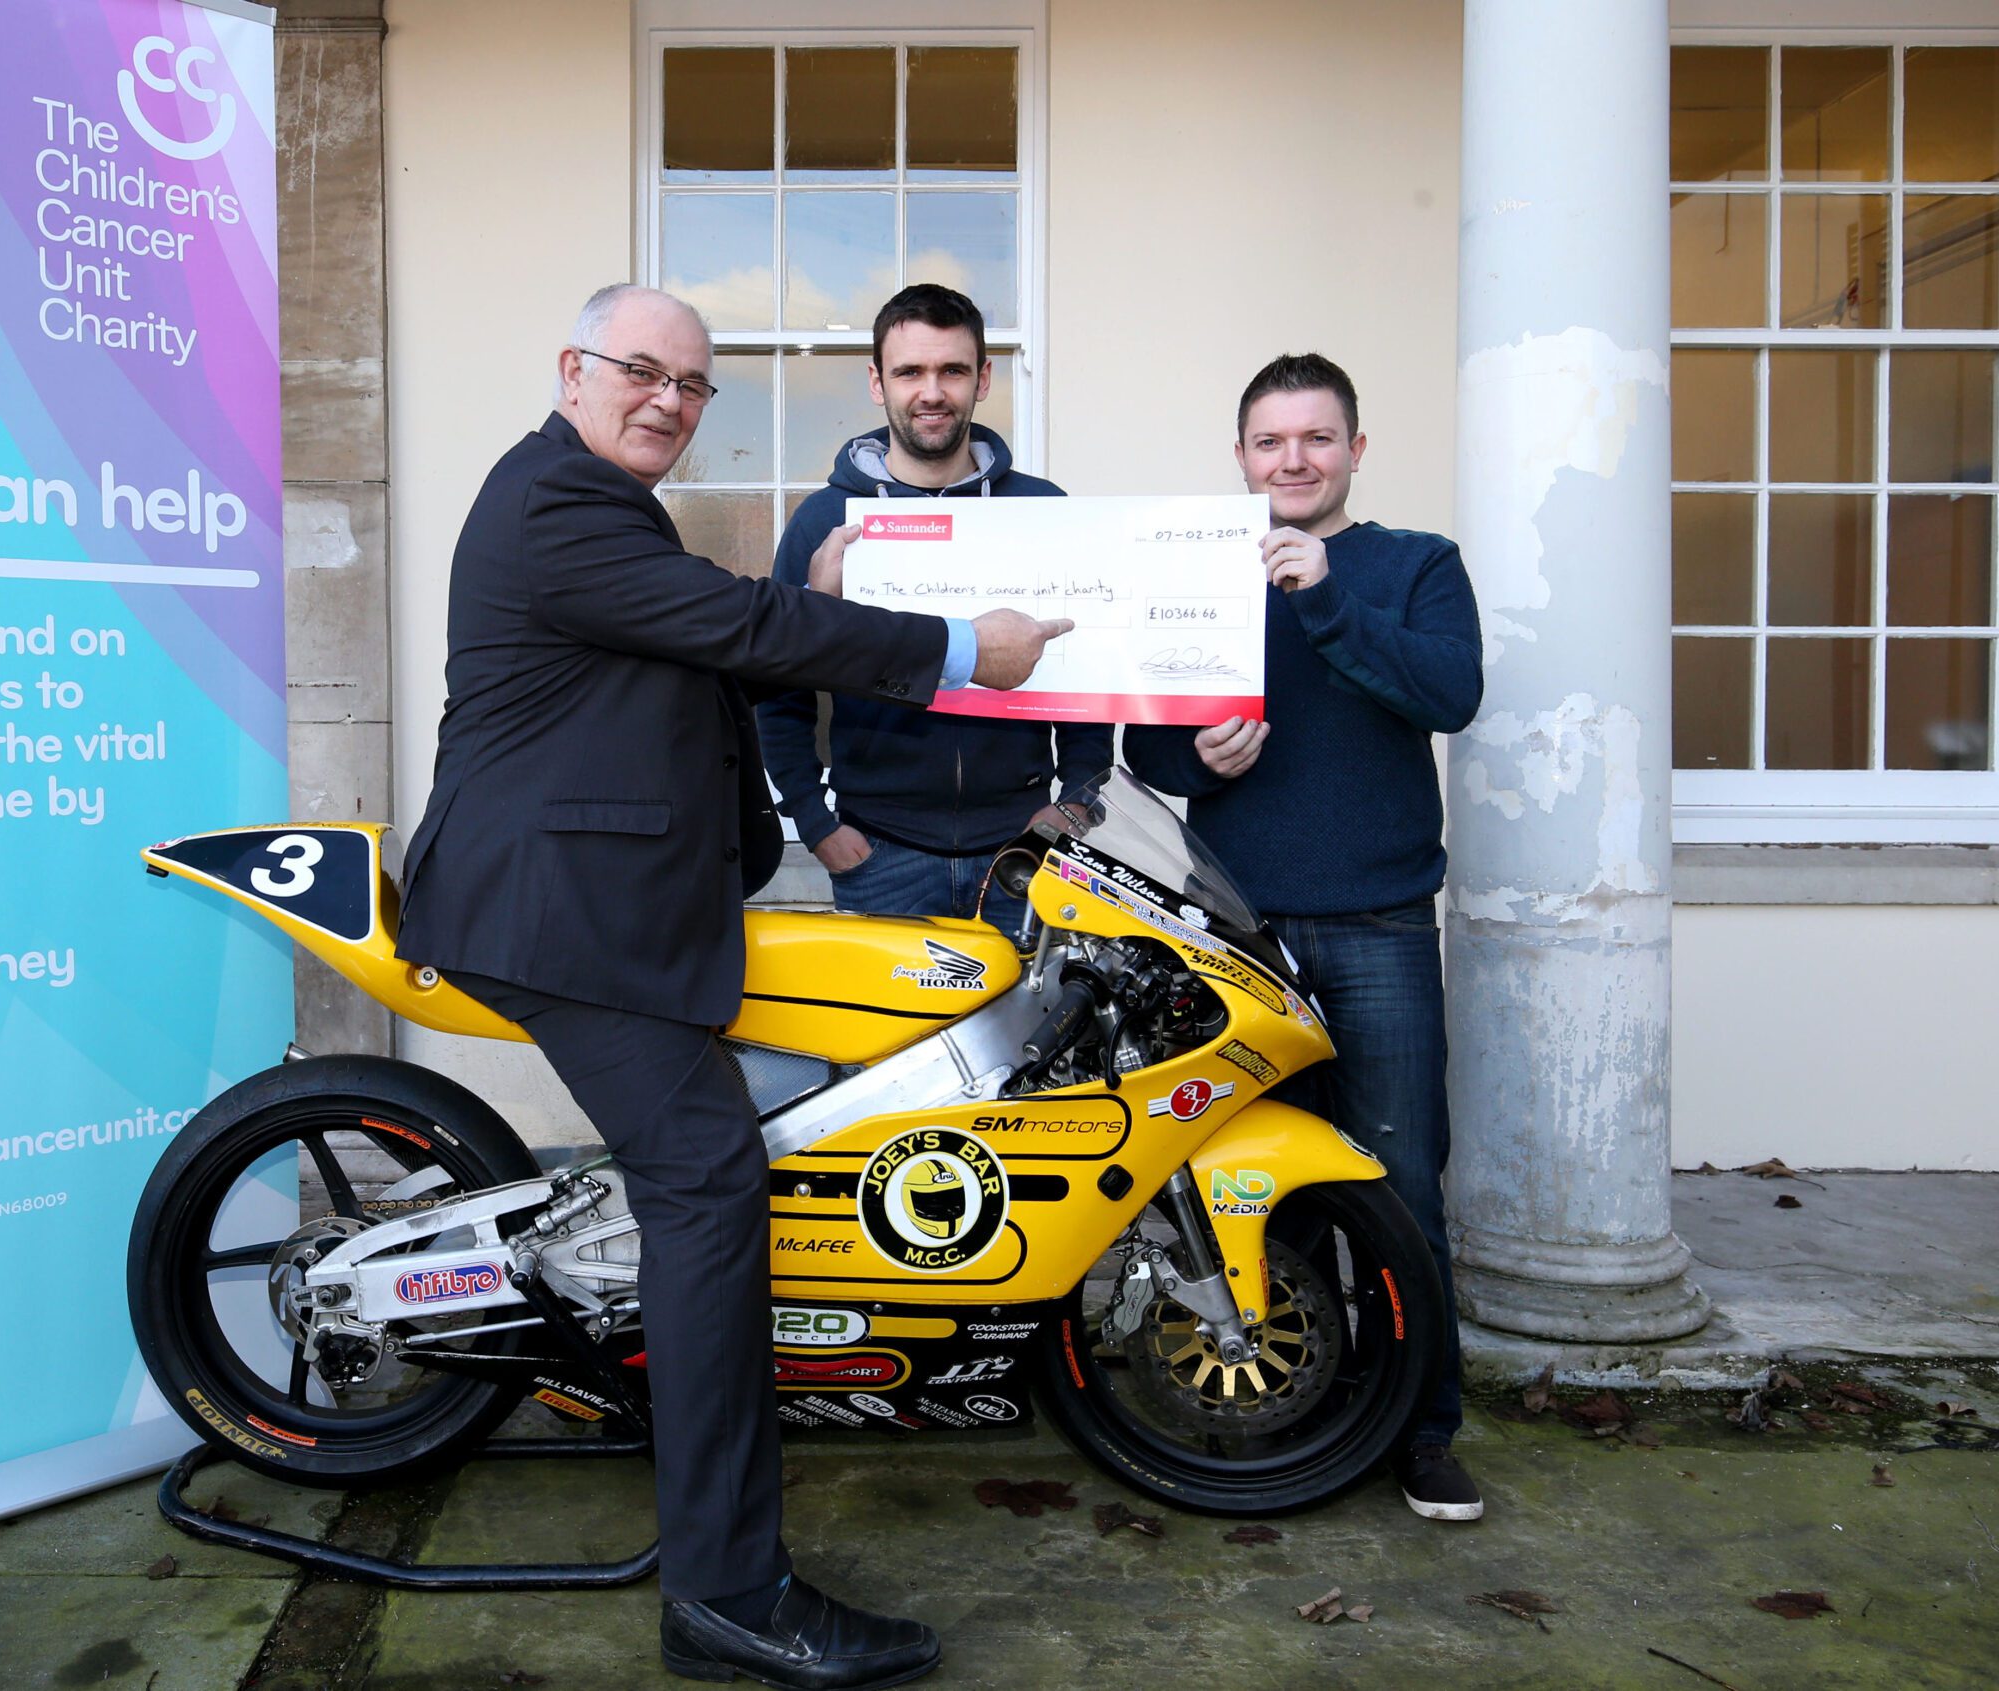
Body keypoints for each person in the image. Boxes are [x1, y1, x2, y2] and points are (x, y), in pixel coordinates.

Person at [398, 283, 1069, 1688]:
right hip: (559, 915)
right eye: (641, 370)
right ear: (571, 367)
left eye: (693, 386)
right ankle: (725, 1590)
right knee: (706, 1186)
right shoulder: (554, 500)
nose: (667, 400)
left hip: (613, 902)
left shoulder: (589, 502)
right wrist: (956, 650)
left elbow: (672, 670)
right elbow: (741, 630)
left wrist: (757, 829)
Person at [1121, 352, 1487, 1524]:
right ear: (1240, 457)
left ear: (1355, 451)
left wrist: (1323, 592)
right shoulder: (1200, 573)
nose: (1292, 460)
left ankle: (1425, 1428)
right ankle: (1311, 1400)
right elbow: (1148, 747)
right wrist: (1197, 759)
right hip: (1243, 935)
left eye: (1315, 440)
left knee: (1397, 1189)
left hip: (1379, 925)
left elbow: (1449, 692)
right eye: (1270, 443)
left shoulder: (1414, 566)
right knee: (1256, 1192)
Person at [761, 284, 1112, 935]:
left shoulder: (1045, 511)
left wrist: (1078, 802)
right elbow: (781, 689)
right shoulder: (824, 522)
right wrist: (815, 821)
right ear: (876, 381)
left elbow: (1081, 671)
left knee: (1030, 1040)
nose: (931, 391)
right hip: (880, 855)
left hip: (1023, 856)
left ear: (983, 378)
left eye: (951, 369)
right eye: (910, 371)